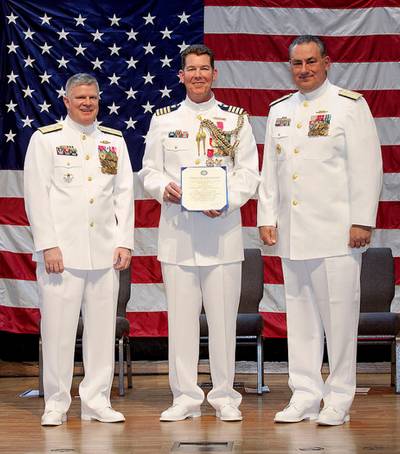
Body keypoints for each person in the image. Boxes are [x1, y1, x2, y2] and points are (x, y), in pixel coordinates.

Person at [258, 35, 382, 426]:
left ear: (327, 63)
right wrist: (266, 217)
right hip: (293, 235)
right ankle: (305, 394)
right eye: (297, 63)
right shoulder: (279, 110)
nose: (304, 70)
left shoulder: (349, 106)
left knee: (340, 319)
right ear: (289, 66)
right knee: (301, 319)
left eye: (311, 62)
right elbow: (271, 173)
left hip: (336, 234)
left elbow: (367, 165)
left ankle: (339, 397)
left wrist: (362, 219)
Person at [139, 44, 259, 422]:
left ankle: (224, 396)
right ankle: (186, 397)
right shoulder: (164, 120)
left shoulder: (235, 120)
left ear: (214, 74)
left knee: (224, 323)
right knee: (182, 323)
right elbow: (148, 172)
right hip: (178, 236)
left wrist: (227, 199)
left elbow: (249, 174)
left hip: (222, 234)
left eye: (204, 69)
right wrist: (164, 189)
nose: (197, 75)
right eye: (191, 69)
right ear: (181, 76)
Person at [24, 73, 134, 426]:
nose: (87, 103)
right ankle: (56, 402)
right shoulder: (46, 140)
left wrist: (124, 241)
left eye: (93, 97)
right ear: (66, 101)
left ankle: (96, 401)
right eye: (80, 98)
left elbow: (124, 194)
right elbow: (36, 196)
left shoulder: (113, 141)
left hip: (104, 253)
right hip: (62, 255)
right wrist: (48, 245)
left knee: (102, 331)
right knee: (57, 330)